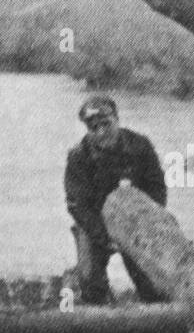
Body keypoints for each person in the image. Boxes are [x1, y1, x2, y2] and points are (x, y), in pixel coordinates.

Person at [64, 95, 166, 304]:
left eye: (106, 124)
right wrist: (104, 237)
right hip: (95, 224)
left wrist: (147, 221)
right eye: (94, 128)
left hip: (134, 224)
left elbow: (157, 189)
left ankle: (157, 319)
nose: (101, 132)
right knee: (90, 281)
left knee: (152, 284)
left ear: (117, 120)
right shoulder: (78, 157)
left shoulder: (140, 146)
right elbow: (78, 205)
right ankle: (96, 314)